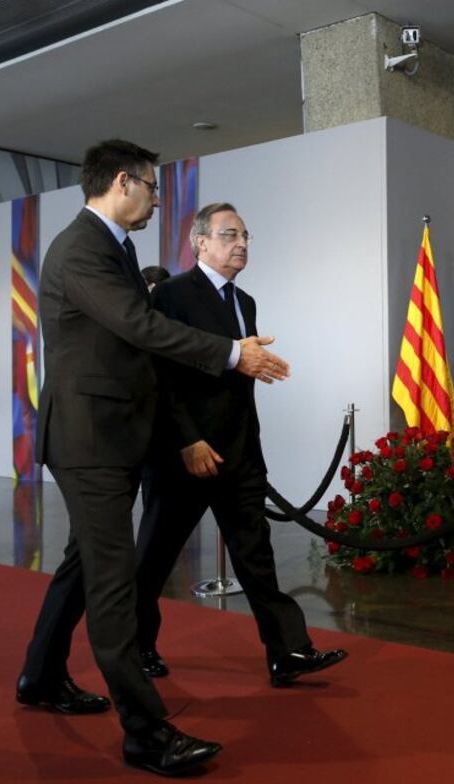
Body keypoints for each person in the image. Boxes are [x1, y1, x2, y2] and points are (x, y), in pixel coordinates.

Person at [15, 139, 289, 777]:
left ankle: (39, 675)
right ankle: (144, 732)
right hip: (89, 440)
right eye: (152, 187)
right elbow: (140, 327)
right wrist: (230, 353)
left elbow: (131, 339)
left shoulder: (114, 246)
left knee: (84, 565)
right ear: (122, 182)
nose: (159, 198)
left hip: (109, 437)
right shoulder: (82, 246)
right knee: (114, 583)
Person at [134, 203, 346, 686]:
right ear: (200, 242)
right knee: (154, 559)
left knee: (256, 556)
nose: (242, 244)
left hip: (240, 454)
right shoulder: (170, 295)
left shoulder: (244, 301)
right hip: (185, 454)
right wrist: (188, 440)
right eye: (230, 235)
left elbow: (235, 372)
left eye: (246, 236)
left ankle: (287, 651)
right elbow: (159, 376)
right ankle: (137, 645)